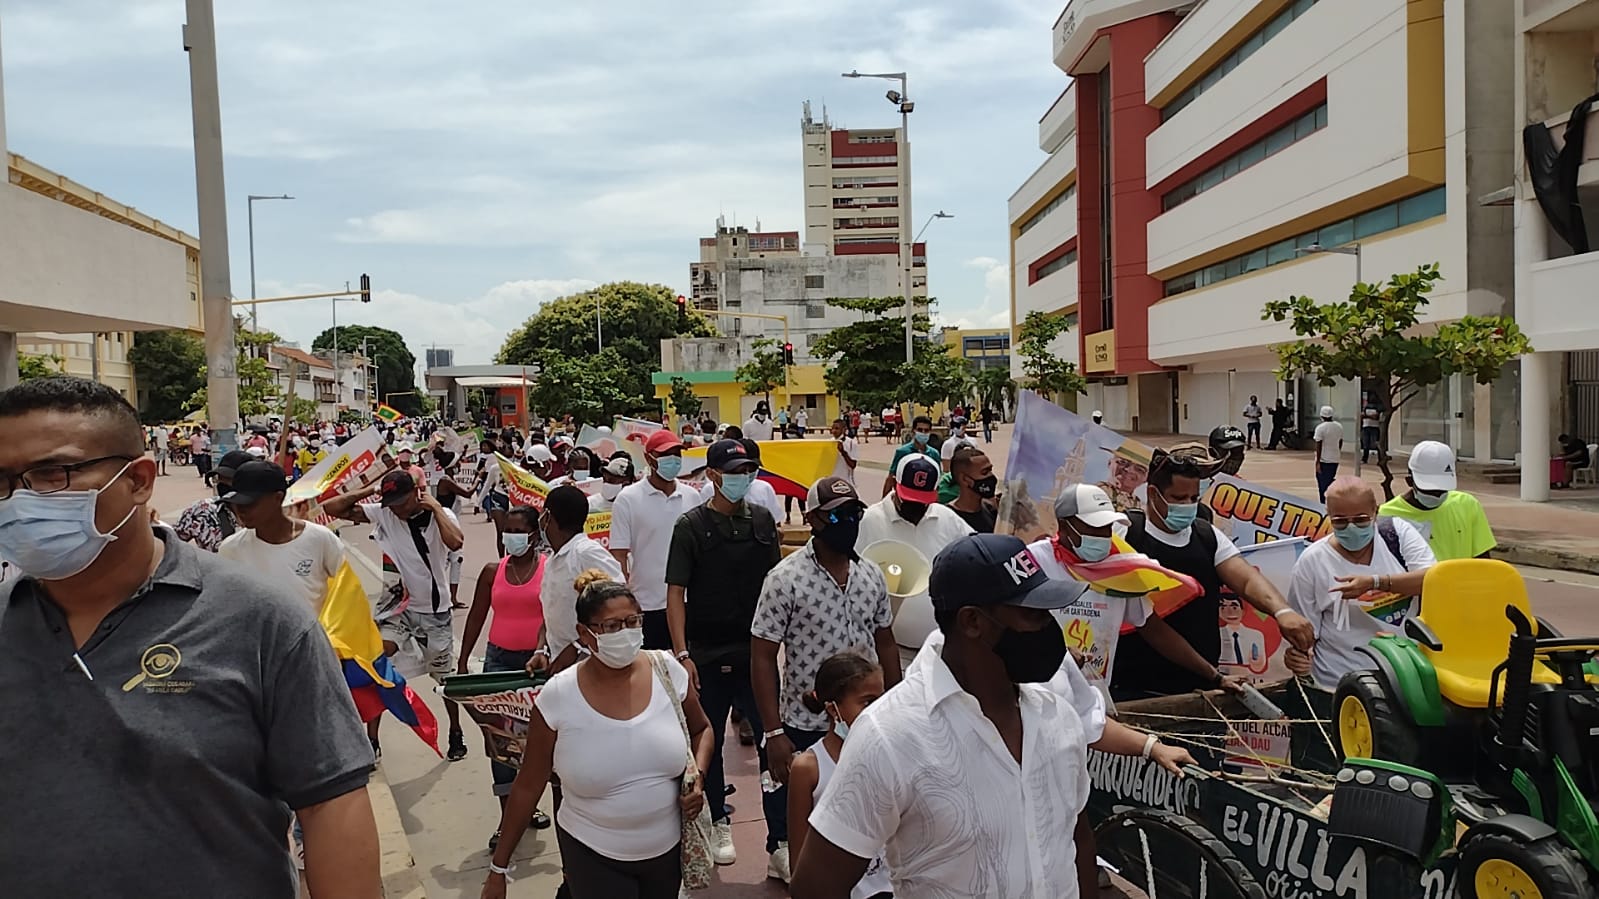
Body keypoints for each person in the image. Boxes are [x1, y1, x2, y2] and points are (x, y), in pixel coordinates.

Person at [0, 377, 380, 896]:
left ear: (139, 480)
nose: (20, 501)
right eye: (3, 481)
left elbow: (330, 802)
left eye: (52, 473)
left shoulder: (264, 622)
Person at [789, 534, 1191, 899]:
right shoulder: (889, 736)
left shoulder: (1058, 718)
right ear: (973, 622)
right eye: (1033, 614)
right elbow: (816, 887)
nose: (1049, 628)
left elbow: (1077, 840)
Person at [483, 572, 716, 899]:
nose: (625, 633)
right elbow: (528, 784)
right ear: (585, 633)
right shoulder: (558, 696)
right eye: (611, 626)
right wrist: (499, 868)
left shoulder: (667, 671)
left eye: (632, 622)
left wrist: (698, 777)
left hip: (666, 855)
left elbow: (702, 729)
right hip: (592, 855)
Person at [752, 477, 903, 881]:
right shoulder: (784, 579)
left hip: (865, 718)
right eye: (836, 515)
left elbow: (886, 642)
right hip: (806, 720)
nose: (848, 522)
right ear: (813, 520)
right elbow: (762, 655)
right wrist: (773, 731)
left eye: (854, 513)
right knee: (797, 798)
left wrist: (895, 704)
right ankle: (784, 853)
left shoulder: (871, 574)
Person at [665, 438, 784, 874]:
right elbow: (675, 593)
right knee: (708, 741)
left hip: (757, 653)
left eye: (749, 470)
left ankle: (780, 840)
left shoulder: (763, 521)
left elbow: (777, 585)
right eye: (734, 472)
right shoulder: (690, 526)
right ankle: (718, 821)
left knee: (774, 742)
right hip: (706, 653)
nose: (743, 478)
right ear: (713, 476)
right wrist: (682, 653)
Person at [1113, 446, 1316, 700]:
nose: (1188, 506)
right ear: (1153, 494)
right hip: (1135, 689)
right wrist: (1214, 676)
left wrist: (1282, 612)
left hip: (1201, 687)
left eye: (1193, 498)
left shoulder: (1207, 536)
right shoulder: (1126, 534)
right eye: (1179, 498)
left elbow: (1246, 579)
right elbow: (1149, 624)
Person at [1034, 484, 1245, 704]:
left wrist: (1216, 677)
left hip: (1093, 702)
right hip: (1041, 697)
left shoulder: (1119, 572)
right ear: (1064, 526)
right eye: (1094, 528)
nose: (1103, 536)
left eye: (1107, 528)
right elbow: (1013, 625)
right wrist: (1056, 651)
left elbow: (1155, 630)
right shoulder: (1036, 562)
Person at [322, 469, 470, 761]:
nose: (398, 510)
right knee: (375, 663)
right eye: (392, 504)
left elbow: (455, 542)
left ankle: (455, 731)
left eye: (402, 503)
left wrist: (436, 507)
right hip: (398, 607)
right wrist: (370, 491)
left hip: (434, 613)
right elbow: (332, 508)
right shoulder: (385, 513)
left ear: (416, 493)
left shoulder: (441, 517)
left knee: (444, 678)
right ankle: (371, 740)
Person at [458, 506, 554, 848]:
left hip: (536, 666)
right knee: (500, 742)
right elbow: (476, 615)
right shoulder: (492, 571)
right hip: (498, 662)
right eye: (506, 530)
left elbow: (553, 618)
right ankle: (507, 819)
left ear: (534, 534)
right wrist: (463, 659)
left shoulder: (549, 569)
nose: (510, 536)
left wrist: (543, 650)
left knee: (534, 742)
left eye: (517, 530)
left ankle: (528, 806)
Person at [1286, 477, 1436, 688]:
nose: (1351, 528)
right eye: (1340, 521)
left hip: (1404, 678)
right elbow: (1305, 630)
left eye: (1361, 520)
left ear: (1376, 512)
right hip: (1337, 683)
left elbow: (1433, 580)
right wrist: (1297, 656)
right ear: (1329, 516)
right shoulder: (1312, 562)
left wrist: (1376, 583)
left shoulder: (1397, 535)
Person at [785, 653, 893, 899]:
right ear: (834, 709)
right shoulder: (808, 768)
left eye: (882, 700)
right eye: (867, 702)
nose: (878, 711)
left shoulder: (889, 756)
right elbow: (799, 861)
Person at [610, 429, 698, 650]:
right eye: (666, 455)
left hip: (689, 601)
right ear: (649, 458)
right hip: (647, 604)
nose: (673, 460)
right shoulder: (628, 499)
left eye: (677, 454)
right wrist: (625, 601)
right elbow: (619, 555)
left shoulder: (692, 496)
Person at [217, 461, 344, 613]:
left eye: (249, 504)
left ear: (278, 498)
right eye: (237, 504)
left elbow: (347, 591)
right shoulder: (230, 549)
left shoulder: (320, 539)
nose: (241, 511)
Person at [543, 485, 625, 672]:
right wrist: (542, 650)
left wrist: (577, 647)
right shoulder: (553, 560)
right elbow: (551, 612)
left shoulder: (586, 552)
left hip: (592, 663)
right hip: (559, 663)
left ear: (547, 517)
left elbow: (620, 603)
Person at [1378, 440, 1495, 561]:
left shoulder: (1467, 505)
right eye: (1430, 490)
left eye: (1442, 489)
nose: (1437, 495)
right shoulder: (1388, 516)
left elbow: (1484, 561)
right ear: (1409, 481)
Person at [172, 449, 254, 552]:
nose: (222, 483)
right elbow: (170, 543)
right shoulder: (202, 510)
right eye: (220, 478)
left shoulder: (264, 512)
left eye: (230, 479)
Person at [697, 439, 783, 521]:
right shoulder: (694, 521)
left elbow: (776, 523)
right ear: (711, 474)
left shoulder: (762, 512)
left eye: (750, 469)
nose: (744, 476)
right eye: (733, 471)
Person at [882, 415, 941, 498]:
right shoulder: (903, 452)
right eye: (920, 430)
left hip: (925, 496)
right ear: (913, 431)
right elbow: (891, 477)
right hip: (905, 496)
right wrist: (884, 500)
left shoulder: (934, 454)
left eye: (926, 430)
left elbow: (937, 480)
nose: (923, 433)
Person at [944, 444, 999, 533]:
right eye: (985, 472)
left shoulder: (990, 510)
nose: (991, 476)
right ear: (965, 479)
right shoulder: (948, 517)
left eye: (990, 470)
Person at [1313, 404, 1343, 503]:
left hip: (1324, 460)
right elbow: (1340, 442)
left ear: (1321, 415)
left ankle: (1324, 502)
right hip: (1335, 459)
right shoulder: (1339, 426)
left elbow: (1319, 445)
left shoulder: (1320, 428)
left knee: (1322, 484)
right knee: (1329, 480)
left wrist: (1317, 461)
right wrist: (1337, 452)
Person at [828, 418, 859, 489]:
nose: (834, 431)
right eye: (832, 428)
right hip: (831, 481)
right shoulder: (829, 443)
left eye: (837, 428)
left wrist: (843, 452)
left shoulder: (851, 443)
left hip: (847, 481)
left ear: (844, 429)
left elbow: (853, 465)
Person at [1360, 394, 1383, 464]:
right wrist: (1370, 416)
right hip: (1366, 426)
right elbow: (1362, 416)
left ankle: (1380, 459)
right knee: (1365, 444)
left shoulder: (1378, 407)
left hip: (1374, 427)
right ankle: (1364, 459)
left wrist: (1367, 416)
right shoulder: (1365, 407)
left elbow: (1376, 417)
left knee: (1375, 443)